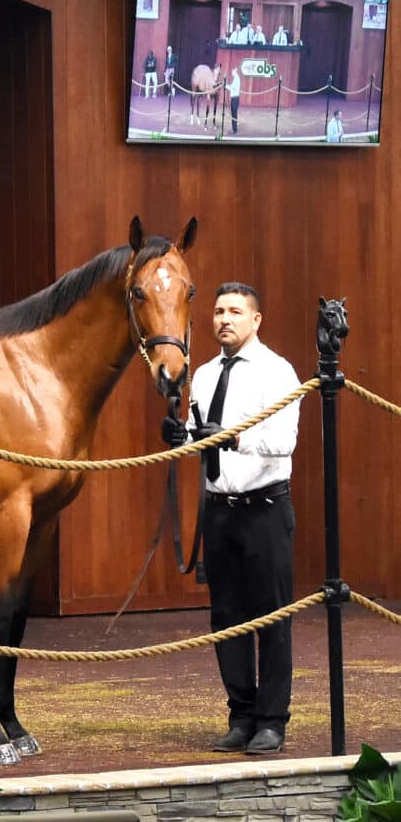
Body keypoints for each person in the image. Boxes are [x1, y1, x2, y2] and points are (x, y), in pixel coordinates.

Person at [162, 283, 300, 755]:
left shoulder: (277, 371)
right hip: (221, 514)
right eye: (219, 311)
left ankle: (271, 721)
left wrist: (235, 439)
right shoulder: (201, 375)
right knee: (227, 620)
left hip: (264, 510)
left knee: (272, 619)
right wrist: (178, 439)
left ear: (256, 320)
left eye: (235, 312)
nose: (224, 319)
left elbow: (284, 440)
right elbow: (202, 443)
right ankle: (241, 716)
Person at [227, 68, 241, 134]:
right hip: (234, 98)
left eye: (232, 72)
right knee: (234, 114)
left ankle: (234, 130)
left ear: (235, 72)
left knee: (234, 114)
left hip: (235, 99)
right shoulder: (236, 78)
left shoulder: (236, 79)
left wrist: (225, 85)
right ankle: (234, 129)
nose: (232, 73)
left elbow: (232, 87)